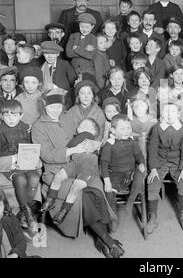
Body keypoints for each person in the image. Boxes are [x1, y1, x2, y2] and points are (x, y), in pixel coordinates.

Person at [31, 91, 123, 258]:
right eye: (51, 107)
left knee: (96, 187)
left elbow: (86, 133)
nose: (55, 110)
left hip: (81, 164)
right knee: (83, 194)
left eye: (58, 106)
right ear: (45, 106)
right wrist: (74, 149)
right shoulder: (38, 126)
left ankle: (101, 238)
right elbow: (46, 155)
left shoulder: (67, 117)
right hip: (56, 170)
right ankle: (106, 239)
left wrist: (93, 145)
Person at [39, 117, 102, 225]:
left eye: (87, 125)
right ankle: (50, 200)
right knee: (58, 176)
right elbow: (69, 148)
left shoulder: (88, 136)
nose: (82, 126)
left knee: (76, 186)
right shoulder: (79, 137)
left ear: (94, 132)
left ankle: (64, 211)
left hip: (88, 165)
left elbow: (69, 147)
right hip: (74, 162)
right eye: (81, 125)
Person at [147, 102, 183, 233]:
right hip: (160, 161)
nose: (169, 115)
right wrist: (153, 169)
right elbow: (152, 149)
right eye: (166, 112)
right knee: (153, 183)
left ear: (178, 114)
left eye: (172, 112)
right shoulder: (157, 128)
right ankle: (152, 216)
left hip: (177, 162)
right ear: (162, 114)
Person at [0, 100, 41, 235]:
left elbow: (32, 146)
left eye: (15, 115)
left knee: (35, 177)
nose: (11, 118)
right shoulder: (1, 130)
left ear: (21, 116)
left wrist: (33, 158)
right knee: (21, 180)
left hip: (26, 162)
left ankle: (22, 215)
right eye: (7, 115)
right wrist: (12, 160)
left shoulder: (27, 128)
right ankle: (28, 213)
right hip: (11, 166)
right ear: (1, 116)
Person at [100, 114, 145, 216]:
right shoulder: (109, 145)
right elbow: (104, 164)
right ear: (113, 130)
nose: (126, 131)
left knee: (140, 174)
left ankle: (130, 202)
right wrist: (107, 181)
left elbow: (139, 155)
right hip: (115, 175)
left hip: (131, 174)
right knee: (109, 194)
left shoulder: (132, 143)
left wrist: (141, 163)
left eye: (128, 128)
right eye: (122, 129)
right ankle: (113, 216)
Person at [65, 73, 106, 142]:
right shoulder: (71, 112)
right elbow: (68, 132)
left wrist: (92, 146)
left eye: (89, 93)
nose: (86, 96)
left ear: (93, 96)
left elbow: (100, 134)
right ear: (78, 96)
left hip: (92, 145)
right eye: (82, 93)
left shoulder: (99, 112)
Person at [40, 41, 77, 108]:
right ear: (43, 54)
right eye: (47, 53)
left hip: (65, 100)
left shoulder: (65, 65)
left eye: (53, 53)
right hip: (48, 102)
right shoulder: (41, 68)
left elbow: (74, 82)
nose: (50, 56)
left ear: (58, 54)